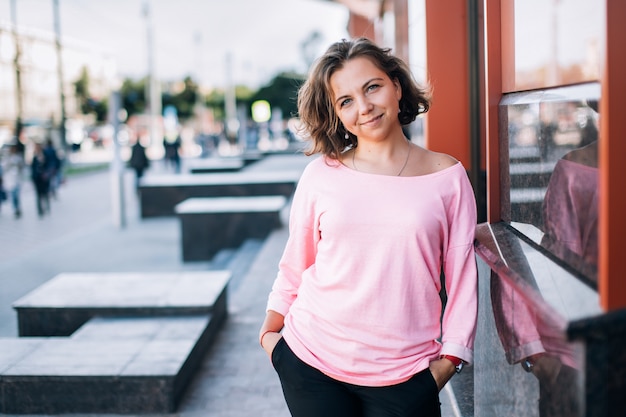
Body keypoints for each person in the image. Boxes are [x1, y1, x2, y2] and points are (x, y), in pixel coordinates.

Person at [258, 37, 478, 417]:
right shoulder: (320, 176)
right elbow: (295, 264)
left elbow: (462, 277)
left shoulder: (448, 177)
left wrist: (450, 360)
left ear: (395, 85)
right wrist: (271, 340)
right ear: (337, 114)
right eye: (346, 101)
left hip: (406, 376)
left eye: (372, 87)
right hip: (311, 362)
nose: (364, 107)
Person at [0, 143, 25, 218]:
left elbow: (22, 167)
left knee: (16, 195)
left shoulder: (18, 157)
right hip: (10, 180)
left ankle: (17, 208)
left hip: (17, 179)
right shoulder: (7, 158)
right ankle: (15, 209)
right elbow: (4, 168)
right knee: (13, 195)